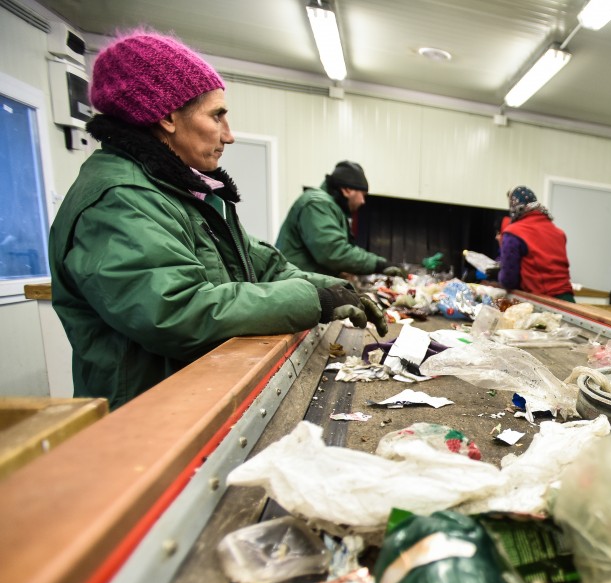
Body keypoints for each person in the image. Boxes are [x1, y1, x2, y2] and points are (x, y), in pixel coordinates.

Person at [49, 31, 385, 410]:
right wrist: (314, 300)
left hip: (193, 398)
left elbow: (264, 264)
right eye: (217, 115)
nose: (229, 135)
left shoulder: (185, 192)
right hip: (147, 415)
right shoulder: (120, 200)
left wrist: (336, 290)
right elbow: (176, 310)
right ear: (167, 116)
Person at [276, 161, 401, 278]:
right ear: (347, 190)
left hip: (303, 281)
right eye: (363, 195)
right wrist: (379, 264)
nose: (363, 201)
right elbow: (332, 251)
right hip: (297, 286)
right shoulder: (317, 204)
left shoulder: (329, 206)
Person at [497, 186, 575, 302]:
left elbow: (509, 280)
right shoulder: (558, 232)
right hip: (568, 300)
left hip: (543, 301)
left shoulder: (513, 232)